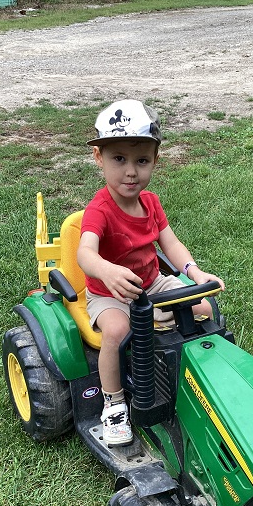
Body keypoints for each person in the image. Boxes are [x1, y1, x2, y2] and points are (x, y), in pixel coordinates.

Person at [77, 100, 225, 446]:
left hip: (151, 282)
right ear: (98, 157)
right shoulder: (99, 209)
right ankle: (113, 403)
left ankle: (203, 376)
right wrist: (107, 271)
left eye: (141, 161)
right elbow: (85, 253)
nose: (131, 172)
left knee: (203, 307)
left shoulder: (152, 203)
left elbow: (171, 245)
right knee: (118, 331)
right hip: (109, 293)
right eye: (119, 159)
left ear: (155, 161)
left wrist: (194, 271)